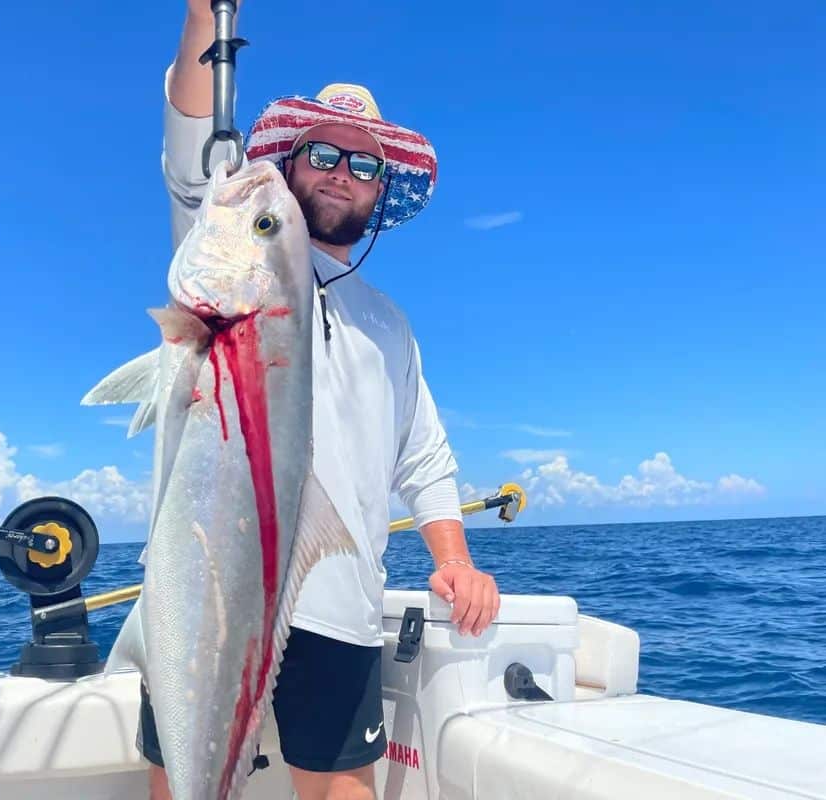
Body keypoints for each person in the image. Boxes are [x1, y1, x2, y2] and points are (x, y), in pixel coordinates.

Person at [139, 2, 501, 798]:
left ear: (382, 191)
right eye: (324, 151)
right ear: (292, 161)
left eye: (364, 164)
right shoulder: (238, 253)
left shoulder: (389, 327)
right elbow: (190, 132)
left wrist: (456, 560)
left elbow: (425, 455)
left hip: (337, 594)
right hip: (206, 582)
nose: (342, 171)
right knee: (179, 779)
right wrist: (206, 16)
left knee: (342, 787)